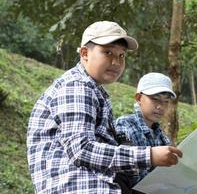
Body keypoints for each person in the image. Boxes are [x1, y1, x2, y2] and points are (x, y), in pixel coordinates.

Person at [26, 21, 182, 194]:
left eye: (122, 55)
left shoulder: (93, 90)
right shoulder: (76, 86)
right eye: (108, 52)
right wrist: (149, 156)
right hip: (79, 187)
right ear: (85, 53)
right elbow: (81, 150)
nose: (116, 62)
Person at [114, 72, 176, 190]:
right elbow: (129, 174)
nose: (161, 106)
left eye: (166, 101)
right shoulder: (125, 126)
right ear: (138, 98)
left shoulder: (162, 137)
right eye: (155, 99)